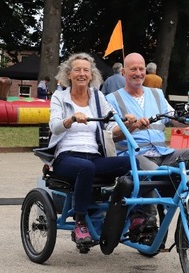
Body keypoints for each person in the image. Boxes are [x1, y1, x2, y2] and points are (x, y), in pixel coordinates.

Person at [105, 53, 189, 233]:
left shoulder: (157, 94)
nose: (138, 73)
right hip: (136, 155)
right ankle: (149, 218)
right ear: (123, 72)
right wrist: (133, 126)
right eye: (133, 69)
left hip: (163, 153)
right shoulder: (112, 99)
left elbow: (174, 119)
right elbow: (112, 134)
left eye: (141, 68)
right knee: (151, 171)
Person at [47, 52, 136, 247]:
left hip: (94, 157)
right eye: (77, 70)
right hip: (66, 157)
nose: (81, 74)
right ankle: (80, 223)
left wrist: (127, 122)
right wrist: (70, 119)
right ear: (68, 74)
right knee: (85, 168)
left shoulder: (97, 96)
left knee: (133, 163)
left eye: (86, 70)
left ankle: (125, 212)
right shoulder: (59, 96)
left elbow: (111, 124)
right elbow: (54, 126)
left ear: (91, 75)